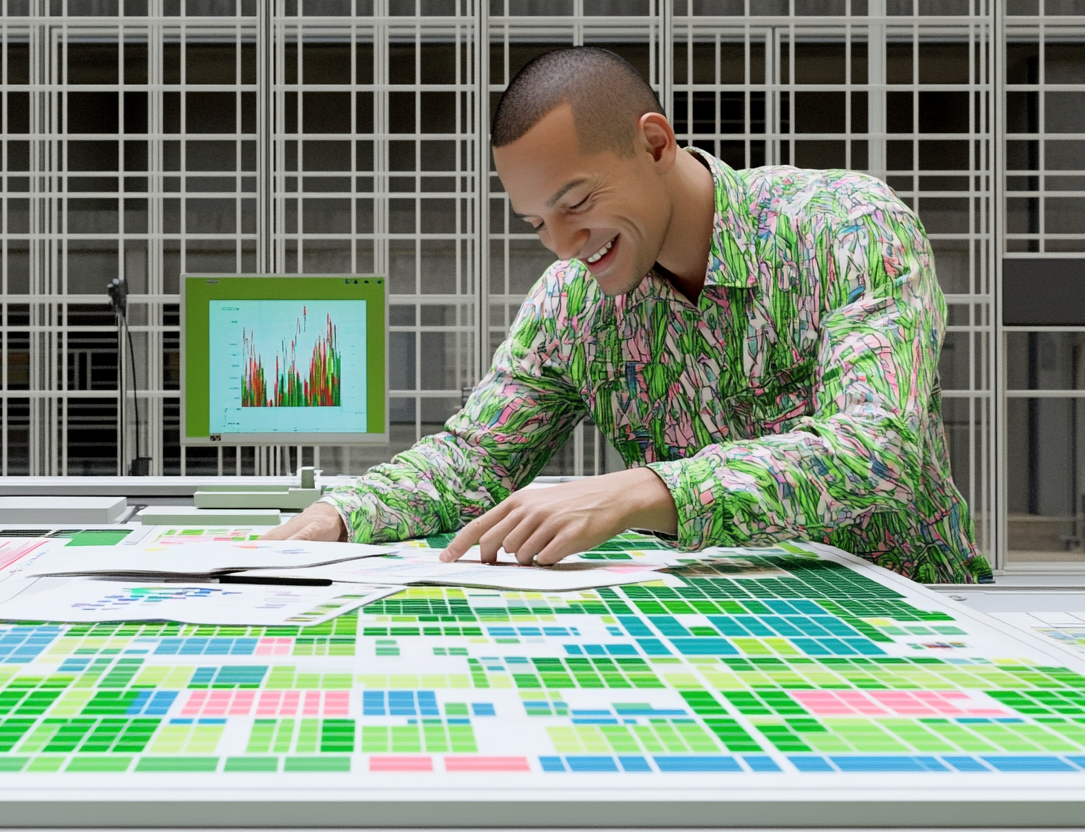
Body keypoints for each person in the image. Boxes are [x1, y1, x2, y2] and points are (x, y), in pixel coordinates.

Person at [263, 46, 989, 585]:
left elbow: (876, 450)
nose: (566, 244)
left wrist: (649, 489)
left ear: (653, 142)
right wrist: (345, 514)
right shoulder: (570, 303)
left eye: (577, 203)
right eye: (537, 223)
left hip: (902, 612)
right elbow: (475, 458)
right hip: (715, 618)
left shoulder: (847, 226)